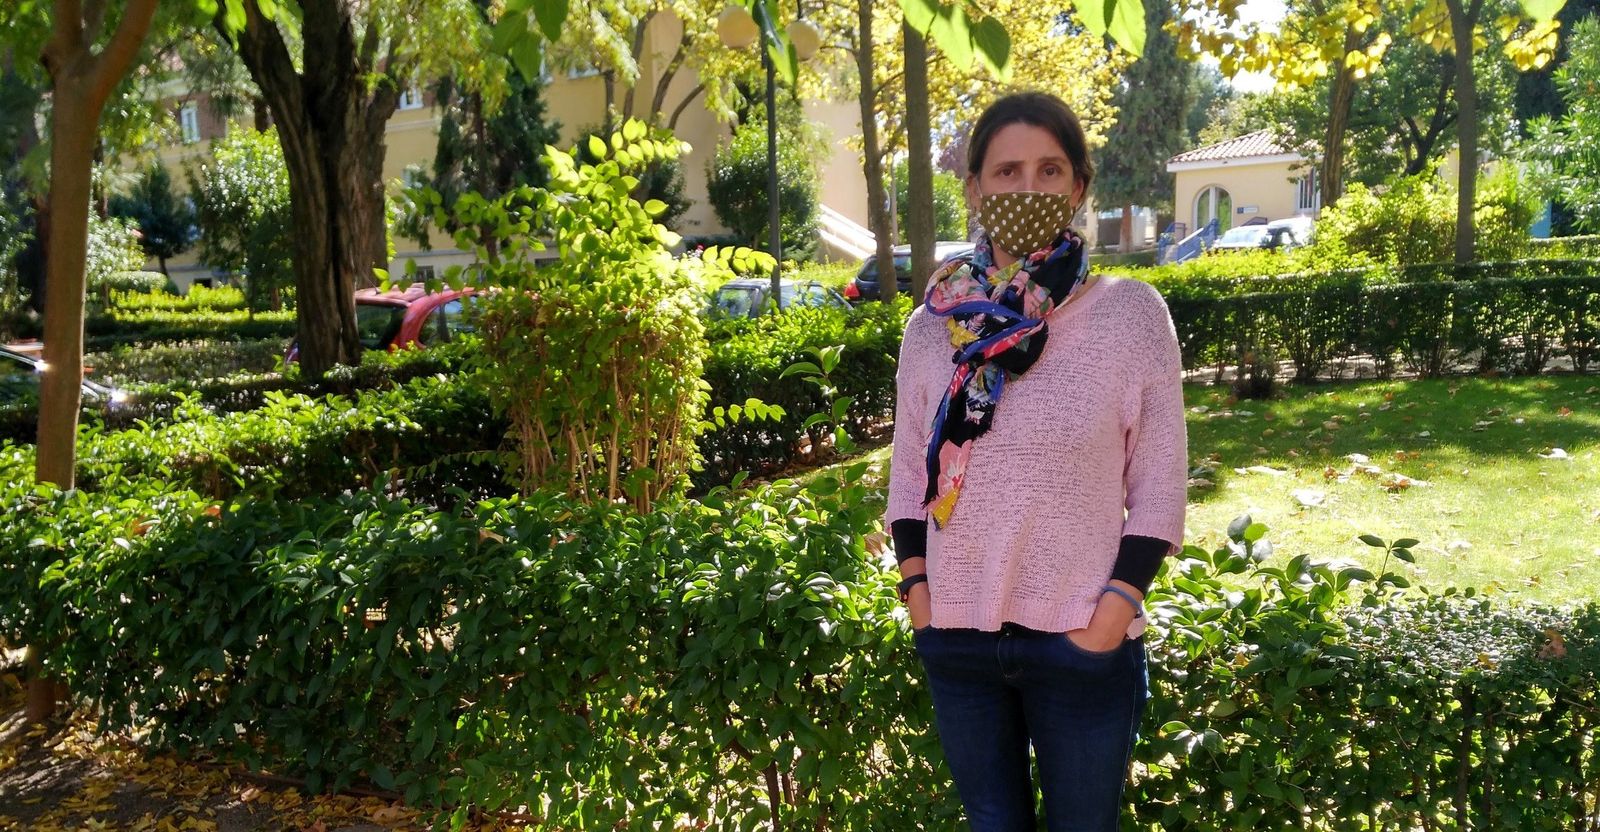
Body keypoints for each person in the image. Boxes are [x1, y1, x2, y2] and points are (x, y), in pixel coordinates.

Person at [884, 90, 1188, 831]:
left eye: (1049, 170)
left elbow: (1160, 486)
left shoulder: (1132, 316)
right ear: (975, 188)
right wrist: (922, 598)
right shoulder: (934, 327)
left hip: (1080, 642)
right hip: (958, 642)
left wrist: (1111, 616)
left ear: (1079, 186)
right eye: (1007, 170)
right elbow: (907, 480)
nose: (1027, 189)